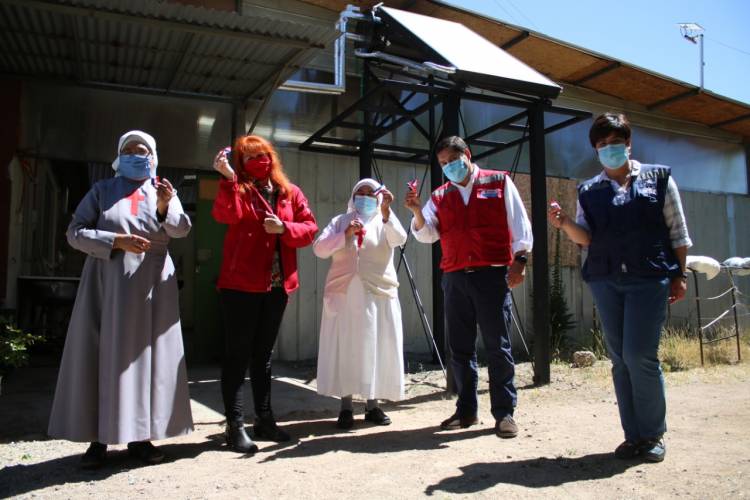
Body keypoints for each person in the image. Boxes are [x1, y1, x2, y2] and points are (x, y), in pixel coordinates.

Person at [548, 112, 691, 462]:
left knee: (640, 355)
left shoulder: (659, 179)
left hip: (648, 279)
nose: (609, 149)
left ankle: (653, 434)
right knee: (620, 360)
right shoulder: (589, 190)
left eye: (615, 143)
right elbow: (586, 239)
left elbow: (678, 232)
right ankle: (633, 437)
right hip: (606, 280)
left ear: (628, 144)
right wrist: (565, 223)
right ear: (595, 150)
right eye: (602, 145)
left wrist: (680, 274)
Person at [48, 130, 193, 468]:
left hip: (151, 286)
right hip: (107, 283)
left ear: (153, 156)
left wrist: (162, 206)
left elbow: (180, 229)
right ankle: (98, 439)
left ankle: (141, 438)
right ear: (118, 155)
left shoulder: (164, 191)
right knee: (103, 355)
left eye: (141, 150)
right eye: (128, 150)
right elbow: (75, 232)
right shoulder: (102, 190)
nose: (134, 154)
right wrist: (115, 241)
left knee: (147, 360)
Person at [404, 135, 533, 438]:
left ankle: (504, 413)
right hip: (455, 277)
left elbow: (520, 225)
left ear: (467, 155)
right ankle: (466, 411)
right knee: (459, 349)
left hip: (491, 275)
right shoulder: (439, 196)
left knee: (497, 346)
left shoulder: (498, 182)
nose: (449, 167)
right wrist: (416, 212)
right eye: (443, 164)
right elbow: (428, 235)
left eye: (452, 160)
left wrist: (521, 261)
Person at [212, 135, 317, 453]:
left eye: (264, 154)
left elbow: (309, 229)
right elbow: (225, 215)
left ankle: (265, 420)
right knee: (237, 355)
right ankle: (235, 426)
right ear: (240, 163)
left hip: (277, 285)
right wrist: (229, 178)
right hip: (239, 285)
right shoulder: (236, 187)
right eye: (251, 157)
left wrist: (284, 228)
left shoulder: (290, 192)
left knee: (263, 355)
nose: (260, 161)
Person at [313, 179, 407, 429]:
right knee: (347, 347)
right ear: (352, 197)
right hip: (344, 296)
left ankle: (372, 405)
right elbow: (320, 249)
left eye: (369, 193)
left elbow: (400, 239)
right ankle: (345, 406)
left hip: (377, 294)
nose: (364, 197)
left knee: (373, 346)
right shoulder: (340, 221)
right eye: (359, 193)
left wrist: (387, 212)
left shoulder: (384, 220)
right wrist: (344, 235)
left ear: (378, 196)